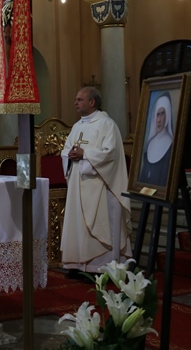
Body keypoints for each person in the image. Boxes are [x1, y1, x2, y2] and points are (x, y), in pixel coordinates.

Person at [60, 87, 132, 278]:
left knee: (100, 224)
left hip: (99, 185)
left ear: (92, 102)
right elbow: (66, 150)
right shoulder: (77, 126)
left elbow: (111, 153)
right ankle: (77, 265)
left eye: (80, 99)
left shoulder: (107, 124)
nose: (75, 102)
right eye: (76, 99)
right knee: (79, 225)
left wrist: (85, 154)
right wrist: (70, 155)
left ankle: (100, 267)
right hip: (78, 184)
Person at [139, 92, 173, 187]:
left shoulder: (172, 145)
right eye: (157, 115)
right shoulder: (150, 144)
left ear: (168, 115)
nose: (158, 120)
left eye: (162, 114)